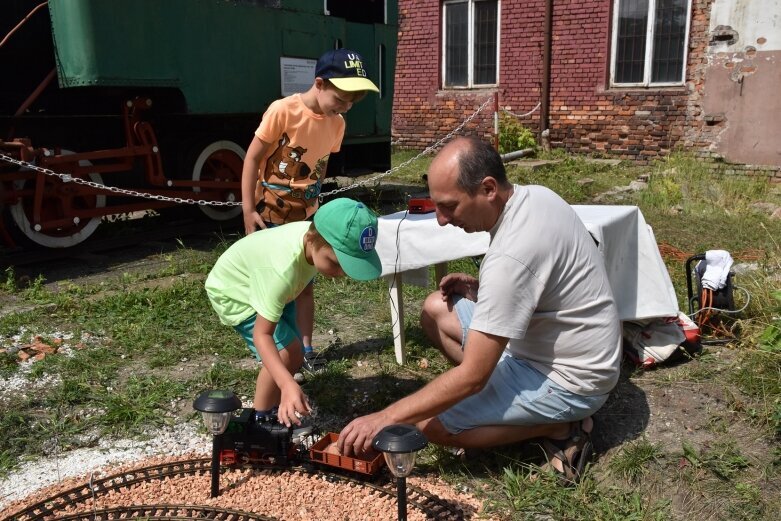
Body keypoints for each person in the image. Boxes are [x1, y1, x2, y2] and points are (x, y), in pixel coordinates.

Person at [337, 137, 622, 484]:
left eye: (449, 206)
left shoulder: (511, 257)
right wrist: (483, 291)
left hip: (573, 379)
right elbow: (541, 282)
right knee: (434, 309)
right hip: (568, 346)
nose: (441, 219)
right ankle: (500, 406)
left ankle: (563, 425)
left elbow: (474, 376)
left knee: (432, 426)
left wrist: (384, 417)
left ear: (488, 188)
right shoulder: (535, 196)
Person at [240, 48, 379, 365]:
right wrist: (248, 210)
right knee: (277, 285)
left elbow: (319, 166)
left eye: (352, 103)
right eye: (341, 99)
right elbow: (252, 159)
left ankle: (304, 349)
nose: (345, 107)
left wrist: (317, 208)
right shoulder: (283, 111)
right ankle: (277, 351)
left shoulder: (336, 124)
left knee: (304, 284)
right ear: (320, 83)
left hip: (307, 217)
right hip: (271, 214)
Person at [206, 198, 382, 427]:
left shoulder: (311, 243)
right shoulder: (282, 271)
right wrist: (288, 383)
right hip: (236, 292)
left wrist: (304, 348)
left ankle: (280, 402)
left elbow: (305, 294)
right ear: (312, 240)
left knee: (294, 352)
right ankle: (262, 419)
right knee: (285, 354)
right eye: (337, 263)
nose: (341, 273)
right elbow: (263, 336)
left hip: (271, 286)